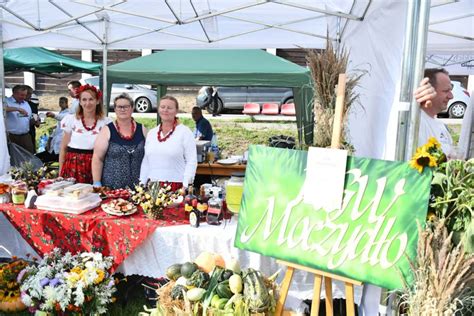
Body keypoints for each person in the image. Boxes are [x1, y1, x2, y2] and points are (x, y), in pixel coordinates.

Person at [140, 95, 197, 189]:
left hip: (176, 185)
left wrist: (186, 185)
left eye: (169, 108)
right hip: (153, 186)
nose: (165, 110)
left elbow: (191, 161)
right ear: (158, 109)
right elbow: (146, 161)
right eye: (162, 107)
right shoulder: (151, 133)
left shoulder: (185, 132)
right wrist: (142, 183)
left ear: (176, 111)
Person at [92, 93, 147, 189]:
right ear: (115, 109)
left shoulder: (142, 129)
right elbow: (97, 158)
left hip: (139, 189)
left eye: (126, 106)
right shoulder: (107, 130)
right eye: (119, 107)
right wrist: (97, 183)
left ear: (132, 108)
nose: (122, 109)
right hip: (112, 188)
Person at [59, 84, 112, 183]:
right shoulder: (71, 120)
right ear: (79, 101)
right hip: (73, 165)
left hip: (96, 165)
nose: (88, 103)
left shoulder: (106, 122)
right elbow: (63, 148)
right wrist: (60, 173)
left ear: (97, 101)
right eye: (84, 99)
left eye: (91, 99)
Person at [414, 68, 453, 154]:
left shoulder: (441, 125)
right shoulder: (415, 123)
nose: (451, 96)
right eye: (446, 91)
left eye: (451, 90)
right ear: (428, 91)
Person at [36, 97, 70, 163]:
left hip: (59, 143)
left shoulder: (68, 113)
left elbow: (62, 118)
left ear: (66, 103)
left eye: (62, 102)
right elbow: (58, 126)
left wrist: (54, 115)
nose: (60, 104)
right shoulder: (61, 112)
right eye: (60, 102)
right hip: (55, 141)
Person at [5, 85, 35, 153]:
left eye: (25, 95)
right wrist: (17, 109)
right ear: (14, 93)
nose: (24, 97)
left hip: (25, 136)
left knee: (29, 156)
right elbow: (3, 109)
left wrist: (34, 120)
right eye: (22, 95)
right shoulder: (6, 101)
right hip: (12, 136)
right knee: (13, 157)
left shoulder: (26, 103)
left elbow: (28, 118)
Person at [24, 85, 41, 152]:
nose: (31, 96)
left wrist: (37, 121)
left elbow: (36, 118)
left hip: (30, 132)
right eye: (29, 94)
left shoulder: (33, 105)